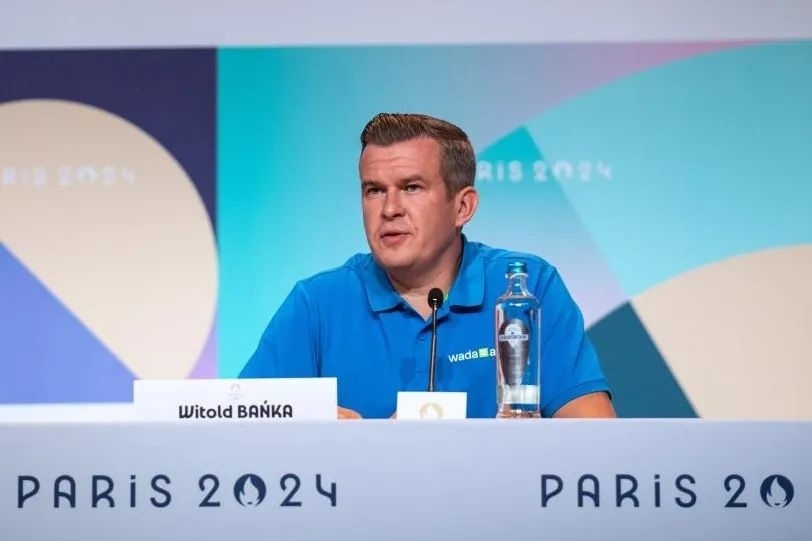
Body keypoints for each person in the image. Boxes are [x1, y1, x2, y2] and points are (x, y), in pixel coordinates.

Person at [239, 112, 615, 420]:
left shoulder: (525, 287)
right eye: (374, 190)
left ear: (462, 207)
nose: (389, 209)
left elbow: (594, 432)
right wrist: (336, 436)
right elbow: (242, 425)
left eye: (412, 187)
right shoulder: (318, 303)